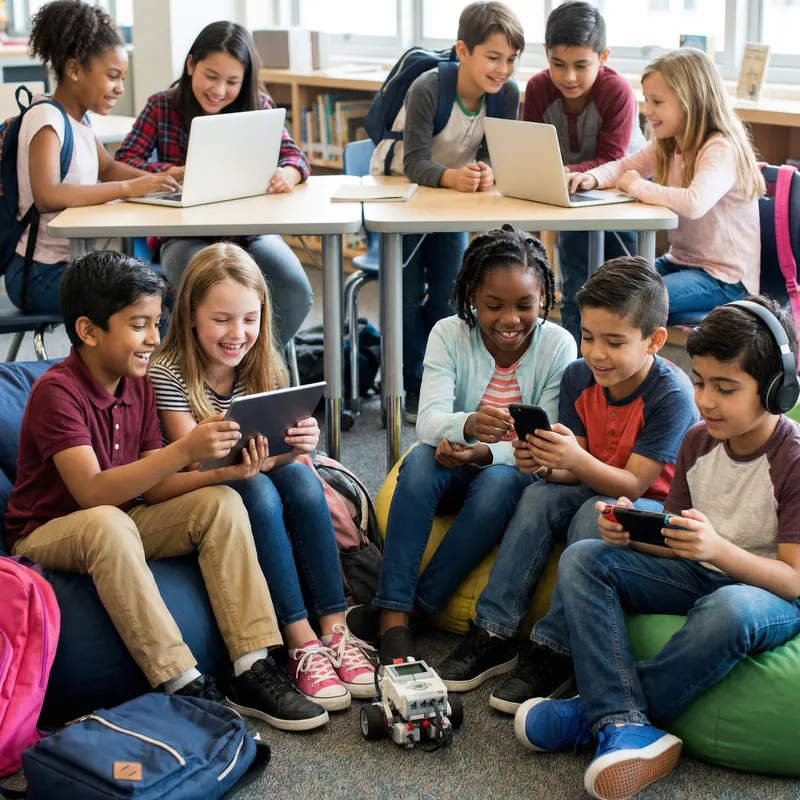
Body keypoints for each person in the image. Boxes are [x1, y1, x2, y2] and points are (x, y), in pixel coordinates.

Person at [3, 251, 329, 732]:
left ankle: (251, 664)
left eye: (157, 323)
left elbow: (154, 492)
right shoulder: (58, 393)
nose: (155, 338)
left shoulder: (139, 384)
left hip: (127, 517)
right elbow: (93, 494)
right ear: (90, 331)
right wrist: (184, 451)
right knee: (108, 522)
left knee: (219, 503)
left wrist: (223, 474)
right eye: (140, 325)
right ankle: (179, 678)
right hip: (48, 532)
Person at [516, 297, 800, 800]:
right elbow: (679, 539)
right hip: (701, 567)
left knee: (727, 608)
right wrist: (637, 536)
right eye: (700, 382)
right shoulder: (698, 441)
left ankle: (599, 713)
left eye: (725, 388)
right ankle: (624, 721)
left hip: (768, 593)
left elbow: (794, 579)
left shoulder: (792, 458)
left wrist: (717, 548)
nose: (706, 400)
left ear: (778, 391)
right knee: (585, 557)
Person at [437, 258, 696, 709]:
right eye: (589, 336)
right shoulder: (581, 376)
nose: (596, 353)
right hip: (596, 485)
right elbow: (570, 469)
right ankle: (494, 631)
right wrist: (543, 464)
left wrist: (574, 458)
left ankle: (554, 649)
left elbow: (633, 485)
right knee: (538, 495)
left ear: (655, 340)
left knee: (593, 512)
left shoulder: (670, 393)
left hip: (652, 511)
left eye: (614, 342)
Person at [150, 242, 375, 710]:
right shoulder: (167, 373)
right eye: (222, 319)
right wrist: (256, 463)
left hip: (254, 476)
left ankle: (335, 629)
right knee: (257, 486)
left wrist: (296, 446)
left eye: (249, 319)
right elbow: (192, 462)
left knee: (300, 479)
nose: (238, 333)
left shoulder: (260, 364)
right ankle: (298, 639)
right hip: (205, 491)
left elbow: (273, 456)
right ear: (190, 314)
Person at [346, 226, 576, 663]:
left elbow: (548, 438)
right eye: (493, 306)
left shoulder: (557, 345)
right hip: (455, 460)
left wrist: (486, 453)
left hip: (512, 471)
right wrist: (467, 426)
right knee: (416, 466)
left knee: (500, 485)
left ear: (544, 298)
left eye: (525, 305)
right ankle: (394, 615)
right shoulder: (449, 333)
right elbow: (428, 421)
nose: (510, 320)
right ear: (471, 297)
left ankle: (419, 605)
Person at [370, 1, 523, 422]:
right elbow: (415, 162)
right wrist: (456, 176)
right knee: (402, 298)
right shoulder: (429, 87)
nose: (503, 69)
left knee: (450, 297)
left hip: (448, 205)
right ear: (463, 51)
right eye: (493, 57)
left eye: (511, 60)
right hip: (400, 195)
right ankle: (406, 384)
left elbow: (497, 156)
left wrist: (485, 171)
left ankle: (439, 384)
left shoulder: (506, 94)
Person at [115, 21, 312, 346]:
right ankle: (207, 375)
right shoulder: (161, 106)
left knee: (294, 289)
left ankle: (251, 369)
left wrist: (289, 173)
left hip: (251, 232)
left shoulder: (258, 106)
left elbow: (296, 158)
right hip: (182, 235)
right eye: (211, 76)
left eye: (232, 81)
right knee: (209, 295)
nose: (219, 90)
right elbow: (123, 162)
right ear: (191, 64)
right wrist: (174, 171)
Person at [7, 0, 179, 313]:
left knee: (169, 296)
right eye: (113, 76)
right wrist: (130, 189)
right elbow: (47, 196)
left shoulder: (79, 119)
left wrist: (162, 179)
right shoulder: (47, 118)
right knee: (151, 306)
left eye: (122, 78)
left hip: (73, 263)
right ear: (73, 70)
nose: (120, 89)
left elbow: (108, 167)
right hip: (37, 274)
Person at [568, 48, 764, 321]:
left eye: (657, 102)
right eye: (646, 100)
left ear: (690, 101)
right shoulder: (668, 143)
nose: (647, 111)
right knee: (607, 292)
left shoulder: (720, 147)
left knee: (629, 305)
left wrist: (635, 186)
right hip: (680, 262)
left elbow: (694, 203)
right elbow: (625, 166)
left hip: (725, 279)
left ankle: (636, 364)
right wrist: (593, 177)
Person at [523, 1, 645, 344]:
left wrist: (563, 170)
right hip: (572, 198)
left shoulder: (617, 91)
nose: (569, 77)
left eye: (581, 65)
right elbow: (531, 149)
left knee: (622, 292)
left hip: (621, 198)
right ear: (546, 53)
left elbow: (612, 157)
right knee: (577, 287)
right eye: (557, 64)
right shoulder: (537, 89)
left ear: (603, 57)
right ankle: (579, 368)